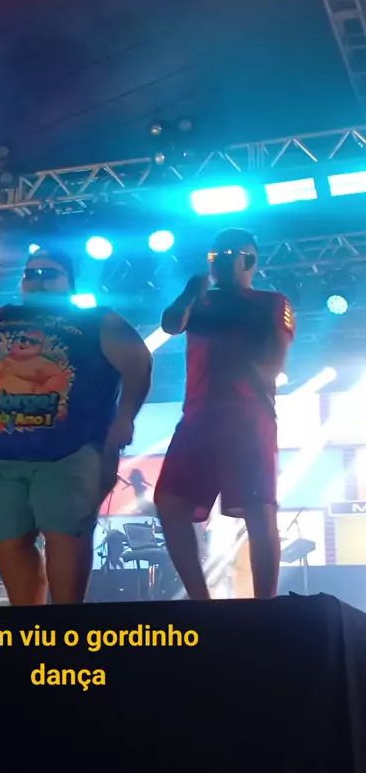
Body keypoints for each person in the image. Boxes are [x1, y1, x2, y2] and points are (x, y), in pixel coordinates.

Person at [0, 248, 152, 606]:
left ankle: (66, 628)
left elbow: (138, 363)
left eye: (48, 274)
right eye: (31, 274)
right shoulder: (1, 317)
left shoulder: (97, 320)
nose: (37, 281)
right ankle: (33, 631)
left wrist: (126, 417)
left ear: (70, 282)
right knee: (9, 546)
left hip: (70, 453)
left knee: (67, 543)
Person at [154, 228, 295, 601]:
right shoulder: (199, 301)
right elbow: (170, 324)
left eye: (232, 255)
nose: (221, 261)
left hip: (248, 417)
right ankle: (201, 601)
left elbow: (276, 357)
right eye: (215, 255)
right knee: (169, 503)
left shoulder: (271, 302)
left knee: (258, 508)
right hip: (197, 418)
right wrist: (190, 291)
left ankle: (265, 605)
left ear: (250, 261)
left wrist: (251, 374)